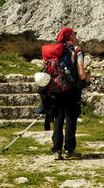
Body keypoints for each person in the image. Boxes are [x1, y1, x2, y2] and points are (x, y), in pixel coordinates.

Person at [37, 27, 91, 160]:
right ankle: (69, 150)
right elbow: (81, 74)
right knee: (71, 119)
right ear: (70, 36)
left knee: (58, 120)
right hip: (72, 89)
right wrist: (87, 77)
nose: (76, 35)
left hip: (55, 89)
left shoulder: (54, 51)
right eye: (74, 33)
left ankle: (57, 151)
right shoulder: (76, 50)